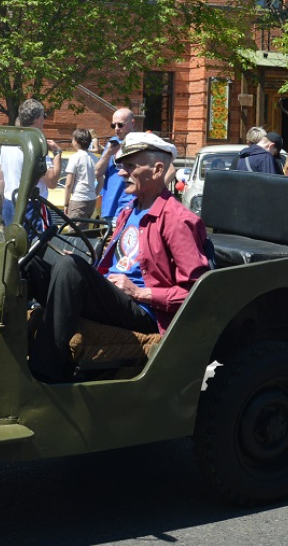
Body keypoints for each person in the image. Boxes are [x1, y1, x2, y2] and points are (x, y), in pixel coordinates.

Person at [28, 132, 209, 382]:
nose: (122, 173)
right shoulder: (128, 212)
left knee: (70, 268)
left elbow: (199, 293)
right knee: (32, 264)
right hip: (117, 299)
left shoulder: (178, 220)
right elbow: (115, 265)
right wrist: (87, 272)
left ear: (157, 170)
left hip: (144, 310)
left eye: (131, 166)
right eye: (122, 166)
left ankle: (44, 375)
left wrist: (139, 293)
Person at [0, 99, 61, 226]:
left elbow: (1, 179)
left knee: (13, 243)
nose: (44, 120)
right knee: (39, 244)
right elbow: (52, 182)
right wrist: (57, 153)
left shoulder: (7, 144)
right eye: (44, 116)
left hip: (10, 203)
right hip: (32, 205)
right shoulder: (35, 145)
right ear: (38, 118)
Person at [95, 107, 136, 225]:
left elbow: (168, 170)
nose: (117, 129)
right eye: (114, 126)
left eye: (120, 125)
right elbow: (97, 173)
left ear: (132, 124)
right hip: (110, 209)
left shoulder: (141, 143)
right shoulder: (112, 143)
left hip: (131, 207)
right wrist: (108, 153)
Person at [63, 128, 98, 221]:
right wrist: (94, 194)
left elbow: (69, 184)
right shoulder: (95, 158)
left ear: (76, 141)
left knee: (74, 232)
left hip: (78, 198)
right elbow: (101, 180)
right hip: (92, 199)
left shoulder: (75, 157)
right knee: (85, 230)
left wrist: (66, 203)